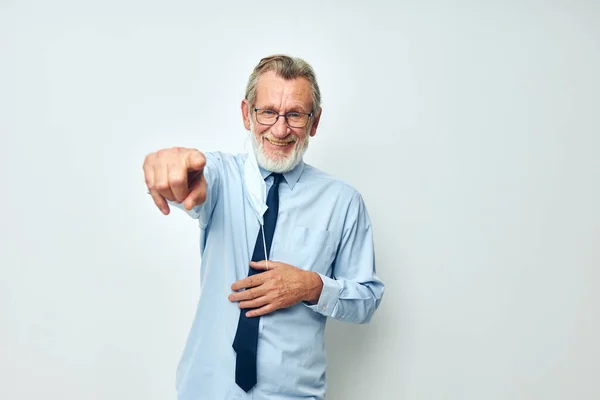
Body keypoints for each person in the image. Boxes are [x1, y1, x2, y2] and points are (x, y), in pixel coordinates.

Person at [143, 54, 385, 400]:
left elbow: (368, 299)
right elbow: (191, 178)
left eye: (295, 115)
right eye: (268, 111)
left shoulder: (343, 202)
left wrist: (310, 286)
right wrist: (171, 171)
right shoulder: (219, 176)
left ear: (314, 122)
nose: (280, 129)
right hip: (205, 390)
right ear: (247, 114)